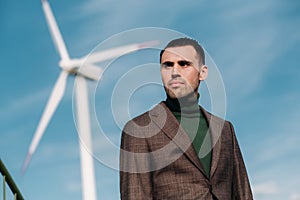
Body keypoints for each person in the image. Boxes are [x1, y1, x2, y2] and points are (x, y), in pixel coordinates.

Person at [119, 37, 253, 199]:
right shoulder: (138, 129)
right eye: (167, 65)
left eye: (184, 64)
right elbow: (135, 195)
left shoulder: (225, 129)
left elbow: (242, 192)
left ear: (202, 72)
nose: (175, 72)